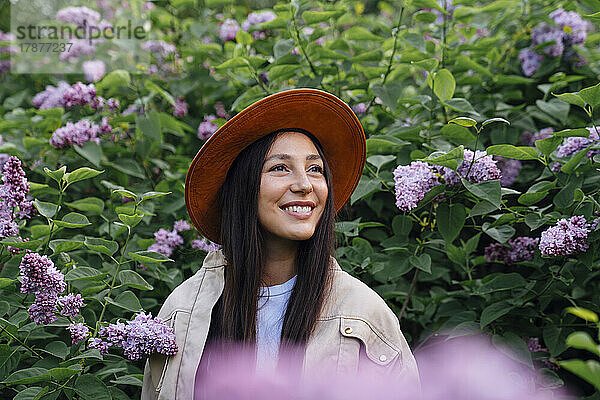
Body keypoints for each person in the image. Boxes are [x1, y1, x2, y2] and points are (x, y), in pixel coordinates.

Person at [141, 88, 419, 400]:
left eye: (315, 169)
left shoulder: (362, 315)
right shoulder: (184, 311)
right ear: (244, 187)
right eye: (280, 168)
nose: (304, 184)